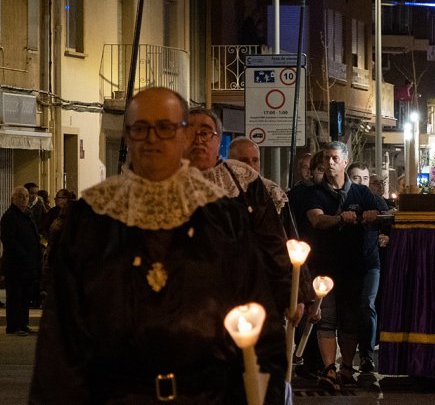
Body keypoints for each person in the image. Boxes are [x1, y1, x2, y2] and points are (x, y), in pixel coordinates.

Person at [30, 87, 288, 404]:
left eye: (165, 128)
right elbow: (61, 340)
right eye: (141, 128)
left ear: (184, 136)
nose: (152, 138)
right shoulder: (92, 218)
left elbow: (260, 326)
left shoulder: (222, 216)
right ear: (127, 136)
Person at [188, 108, 309, 323]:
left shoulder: (242, 180)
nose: (198, 140)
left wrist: (291, 295)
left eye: (205, 133)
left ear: (218, 140)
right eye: (189, 131)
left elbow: (272, 239)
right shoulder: (162, 182)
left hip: (244, 296)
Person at [303, 142, 385, 391]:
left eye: (335, 158)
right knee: (326, 317)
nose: (329, 163)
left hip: (354, 266)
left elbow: (384, 213)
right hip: (326, 265)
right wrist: (340, 218)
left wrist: (375, 217)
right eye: (327, 158)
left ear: (345, 162)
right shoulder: (315, 193)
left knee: (350, 319)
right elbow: (316, 219)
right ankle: (330, 369)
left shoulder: (361, 193)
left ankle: (347, 367)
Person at [0, 186, 40, 336]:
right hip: (15, 264)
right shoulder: (9, 217)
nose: (24, 199)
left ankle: (23, 324)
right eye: (20, 197)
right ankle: (14, 326)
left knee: (25, 296)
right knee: (15, 296)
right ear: (13, 199)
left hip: (28, 264)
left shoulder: (27, 215)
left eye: (26, 197)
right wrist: (24, 255)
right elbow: (9, 241)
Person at [228, 135, 289, 214]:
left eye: (255, 160)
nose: (251, 166)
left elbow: (286, 224)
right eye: (244, 160)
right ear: (231, 163)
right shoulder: (219, 190)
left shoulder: (273, 193)